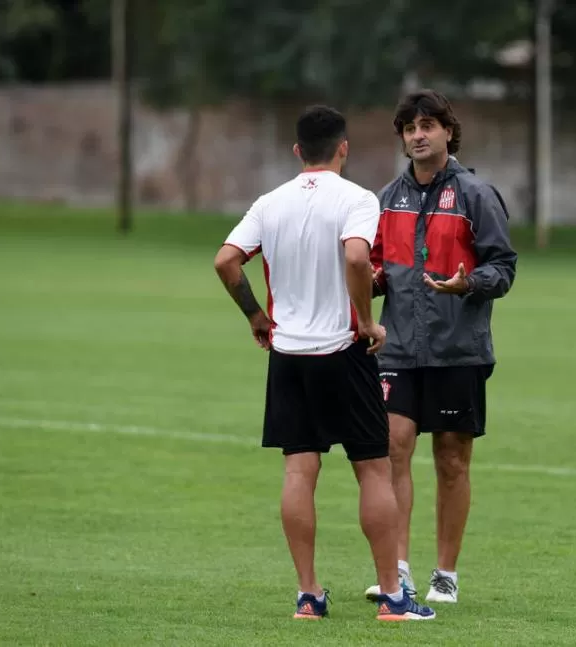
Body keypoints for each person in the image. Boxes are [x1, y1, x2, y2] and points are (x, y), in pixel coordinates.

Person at [214, 105, 436, 622]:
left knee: (299, 469)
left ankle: (308, 595)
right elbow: (358, 258)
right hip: (342, 351)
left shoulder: (270, 203)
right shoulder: (357, 198)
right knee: (374, 471)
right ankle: (392, 598)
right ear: (344, 148)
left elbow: (226, 260)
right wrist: (366, 321)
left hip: (288, 354)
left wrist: (255, 316)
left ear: (297, 151)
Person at [364, 89, 517, 604]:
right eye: (409, 127)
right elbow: (379, 271)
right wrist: (363, 281)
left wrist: (467, 284)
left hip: (458, 350)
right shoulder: (387, 199)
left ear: (448, 132)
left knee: (452, 461)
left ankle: (445, 574)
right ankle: (399, 569)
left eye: (428, 124)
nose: (418, 134)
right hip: (399, 348)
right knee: (391, 449)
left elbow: (504, 268)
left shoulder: (476, 194)